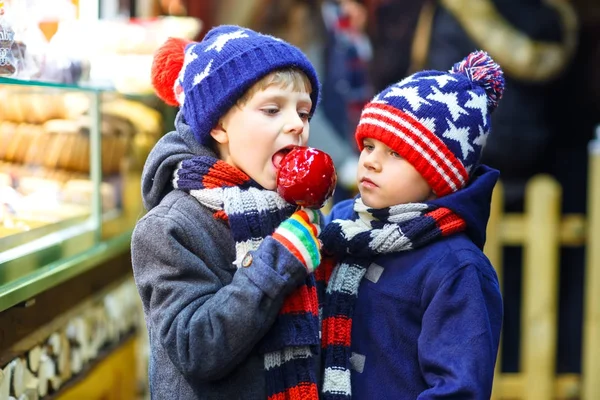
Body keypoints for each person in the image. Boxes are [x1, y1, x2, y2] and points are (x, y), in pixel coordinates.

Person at [131, 25, 326, 399]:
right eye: (272, 109)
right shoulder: (169, 228)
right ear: (219, 124)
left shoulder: (292, 210)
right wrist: (278, 261)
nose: (296, 125)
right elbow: (196, 348)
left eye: (304, 112)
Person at [317, 50, 505, 399]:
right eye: (369, 146)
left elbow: (458, 388)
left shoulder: (455, 267)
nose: (371, 162)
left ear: (438, 177)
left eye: (396, 154)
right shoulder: (341, 227)